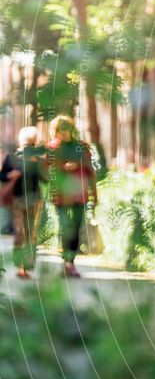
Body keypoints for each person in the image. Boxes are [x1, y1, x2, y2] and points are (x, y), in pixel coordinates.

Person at [43, 115, 98, 278]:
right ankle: (66, 263)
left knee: (75, 229)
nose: (63, 134)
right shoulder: (52, 148)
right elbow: (45, 172)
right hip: (60, 196)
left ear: (71, 130)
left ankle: (70, 263)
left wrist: (94, 195)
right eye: (59, 130)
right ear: (55, 132)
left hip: (79, 195)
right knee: (65, 227)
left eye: (66, 130)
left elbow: (90, 171)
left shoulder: (81, 147)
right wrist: (61, 168)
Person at [0, 127, 45, 279]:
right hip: (22, 200)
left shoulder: (33, 157)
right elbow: (2, 175)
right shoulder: (14, 156)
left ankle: (23, 266)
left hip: (29, 200)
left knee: (24, 233)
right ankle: (22, 266)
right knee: (26, 233)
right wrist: (10, 175)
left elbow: (45, 178)